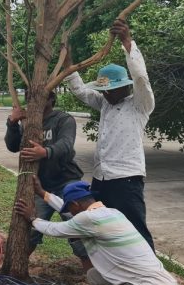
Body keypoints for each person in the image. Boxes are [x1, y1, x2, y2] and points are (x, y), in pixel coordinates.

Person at [15, 179, 184, 285]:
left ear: (75, 204)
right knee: (94, 276)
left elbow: (55, 229)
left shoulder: (89, 219)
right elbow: (67, 211)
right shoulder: (111, 213)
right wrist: (43, 193)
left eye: (70, 208)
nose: (70, 214)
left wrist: (32, 219)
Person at [65, 19, 156, 250]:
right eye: (103, 90)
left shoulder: (140, 105)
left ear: (125, 86)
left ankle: (149, 270)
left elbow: (141, 78)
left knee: (135, 229)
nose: (106, 94)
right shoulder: (105, 103)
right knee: (103, 228)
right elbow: (80, 91)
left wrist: (127, 42)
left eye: (111, 90)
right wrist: (68, 63)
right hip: (101, 178)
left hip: (126, 179)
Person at [5, 91, 90, 269]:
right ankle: (16, 270)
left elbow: (66, 145)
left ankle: (92, 273)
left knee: (78, 228)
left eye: (39, 96)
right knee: (30, 228)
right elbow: (13, 146)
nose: (33, 100)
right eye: (29, 97)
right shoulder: (28, 122)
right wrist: (12, 123)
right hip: (39, 186)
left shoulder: (63, 119)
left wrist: (45, 152)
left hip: (67, 182)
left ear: (51, 99)